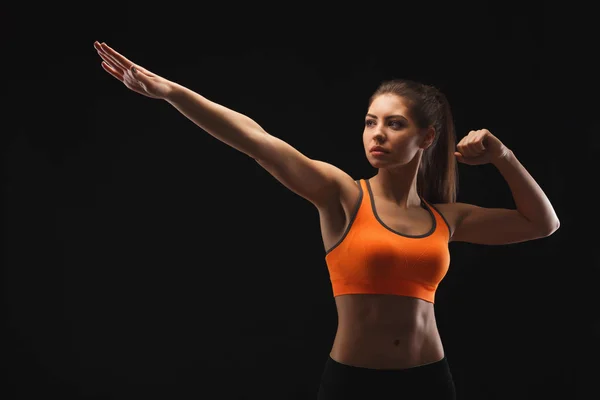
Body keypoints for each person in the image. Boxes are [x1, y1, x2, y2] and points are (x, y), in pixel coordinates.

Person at [94, 41, 560, 400]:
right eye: (370, 122)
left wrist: (503, 155)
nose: (377, 134)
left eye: (394, 124)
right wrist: (170, 92)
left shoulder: (446, 218)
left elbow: (542, 223)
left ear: (427, 137)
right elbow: (256, 139)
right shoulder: (342, 196)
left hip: (430, 382)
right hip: (352, 384)